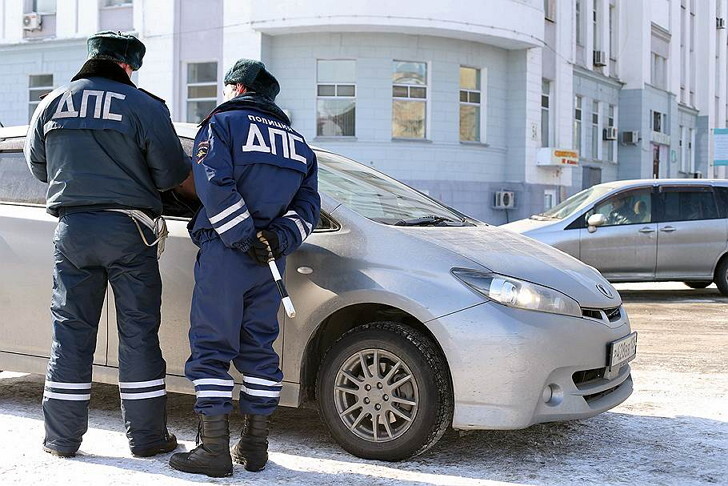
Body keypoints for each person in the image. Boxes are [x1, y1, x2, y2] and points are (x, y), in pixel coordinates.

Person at [24, 31, 191, 458]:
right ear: (128, 66)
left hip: (73, 231)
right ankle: (147, 437)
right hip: (127, 232)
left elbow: (39, 167)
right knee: (137, 333)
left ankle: (61, 439)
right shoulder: (145, 106)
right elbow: (170, 173)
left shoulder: (50, 102)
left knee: (70, 333)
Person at [169, 59, 320, 477]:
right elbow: (308, 207)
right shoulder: (299, 144)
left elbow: (213, 183)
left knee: (212, 346)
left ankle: (213, 450)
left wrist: (241, 236)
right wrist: (276, 239)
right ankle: (255, 447)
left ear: (237, 88)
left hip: (227, 253)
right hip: (270, 261)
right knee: (259, 348)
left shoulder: (223, 125)